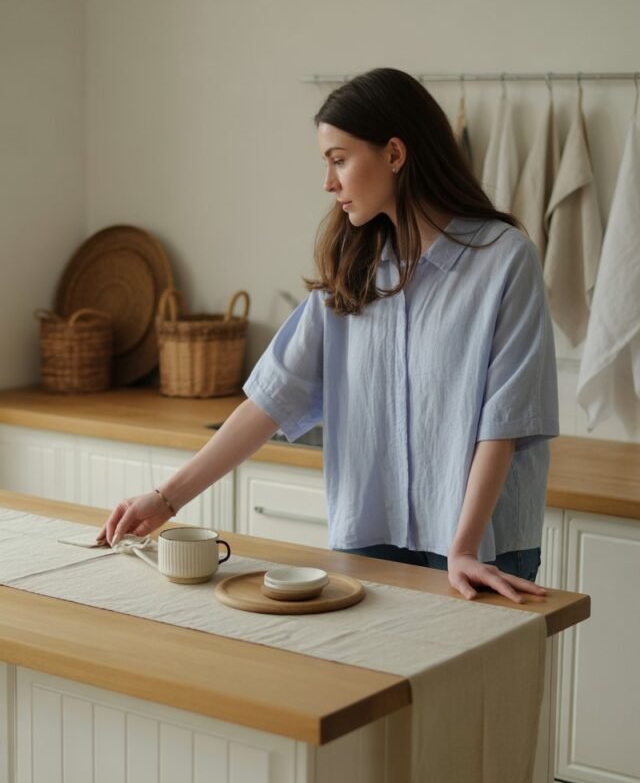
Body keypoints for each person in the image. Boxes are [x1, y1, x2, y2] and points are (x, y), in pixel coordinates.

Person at [99, 68, 558, 602]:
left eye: (339, 160)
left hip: (482, 548)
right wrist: (166, 499)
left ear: (393, 154)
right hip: (371, 540)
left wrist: (462, 548)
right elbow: (270, 399)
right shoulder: (353, 269)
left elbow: (501, 424)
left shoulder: (504, 260)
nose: (328, 182)